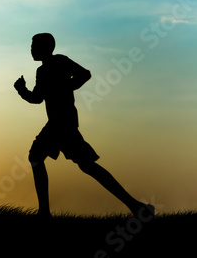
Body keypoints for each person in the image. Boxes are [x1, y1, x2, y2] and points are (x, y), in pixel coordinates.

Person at [14, 33, 154, 219]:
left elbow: (84, 74)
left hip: (63, 123)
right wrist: (22, 89)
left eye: (34, 45)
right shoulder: (42, 71)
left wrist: (66, 86)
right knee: (79, 164)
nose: (31, 49)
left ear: (46, 47)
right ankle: (135, 206)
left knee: (47, 158)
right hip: (58, 123)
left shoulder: (60, 61)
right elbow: (37, 98)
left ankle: (45, 213)